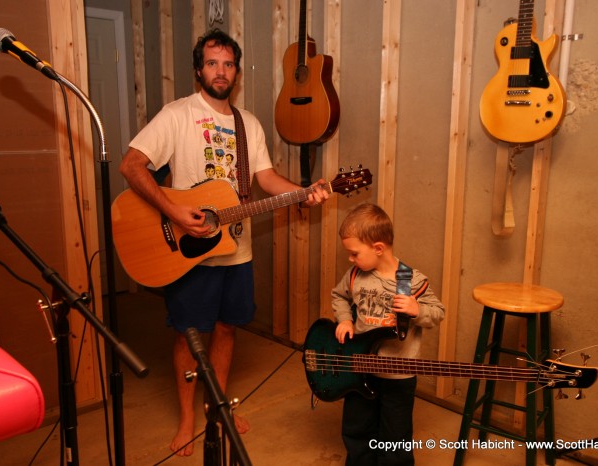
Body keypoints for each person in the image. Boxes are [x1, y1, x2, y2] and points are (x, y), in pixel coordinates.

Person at [119, 28, 329, 457]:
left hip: (236, 251)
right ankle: (186, 418)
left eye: (228, 64)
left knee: (228, 329)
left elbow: (265, 179)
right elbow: (132, 165)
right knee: (187, 336)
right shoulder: (177, 114)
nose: (221, 71)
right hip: (186, 252)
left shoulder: (247, 123)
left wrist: (302, 192)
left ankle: (217, 407)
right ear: (199, 69)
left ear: (236, 72)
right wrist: (176, 212)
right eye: (212, 63)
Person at [332, 203, 445, 465]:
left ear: (378, 248)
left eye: (354, 253)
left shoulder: (411, 280)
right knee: (357, 428)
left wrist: (417, 310)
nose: (350, 259)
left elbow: (438, 312)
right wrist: (345, 320)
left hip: (398, 374)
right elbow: (339, 296)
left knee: (395, 437)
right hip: (360, 370)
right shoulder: (355, 275)